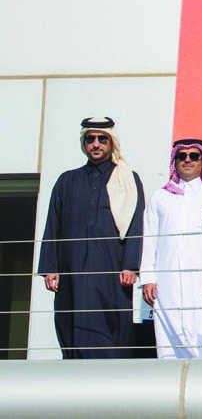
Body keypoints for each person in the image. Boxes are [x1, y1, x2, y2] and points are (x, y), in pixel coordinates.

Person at [38, 117, 146, 358]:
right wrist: (50, 268)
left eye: (102, 139)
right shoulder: (67, 180)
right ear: (84, 143)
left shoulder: (127, 179)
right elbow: (53, 225)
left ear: (112, 142)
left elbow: (136, 225)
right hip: (72, 269)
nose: (96, 144)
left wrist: (130, 266)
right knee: (70, 318)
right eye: (90, 139)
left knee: (111, 325)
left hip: (112, 270)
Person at [140, 139, 202, 358]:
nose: (187, 160)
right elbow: (150, 238)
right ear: (175, 162)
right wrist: (148, 278)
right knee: (168, 338)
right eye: (182, 156)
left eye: (194, 156)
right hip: (167, 282)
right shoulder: (160, 197)